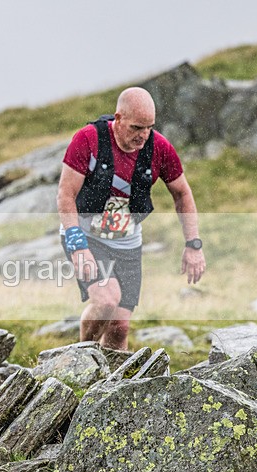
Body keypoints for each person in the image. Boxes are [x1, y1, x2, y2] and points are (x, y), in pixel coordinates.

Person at [57, 87, 206, 351]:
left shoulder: (159, 148)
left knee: (119, 327)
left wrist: (193, 244)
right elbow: (65, 194)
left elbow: (182, 193)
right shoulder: (88, 140)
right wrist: (77, 245)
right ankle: (81, 364)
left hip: (126, 243)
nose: (143, 135)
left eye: (149, 127)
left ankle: (112, 389)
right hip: (85, 236)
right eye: (137, 127)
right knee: (105, 301)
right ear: (119, 118)